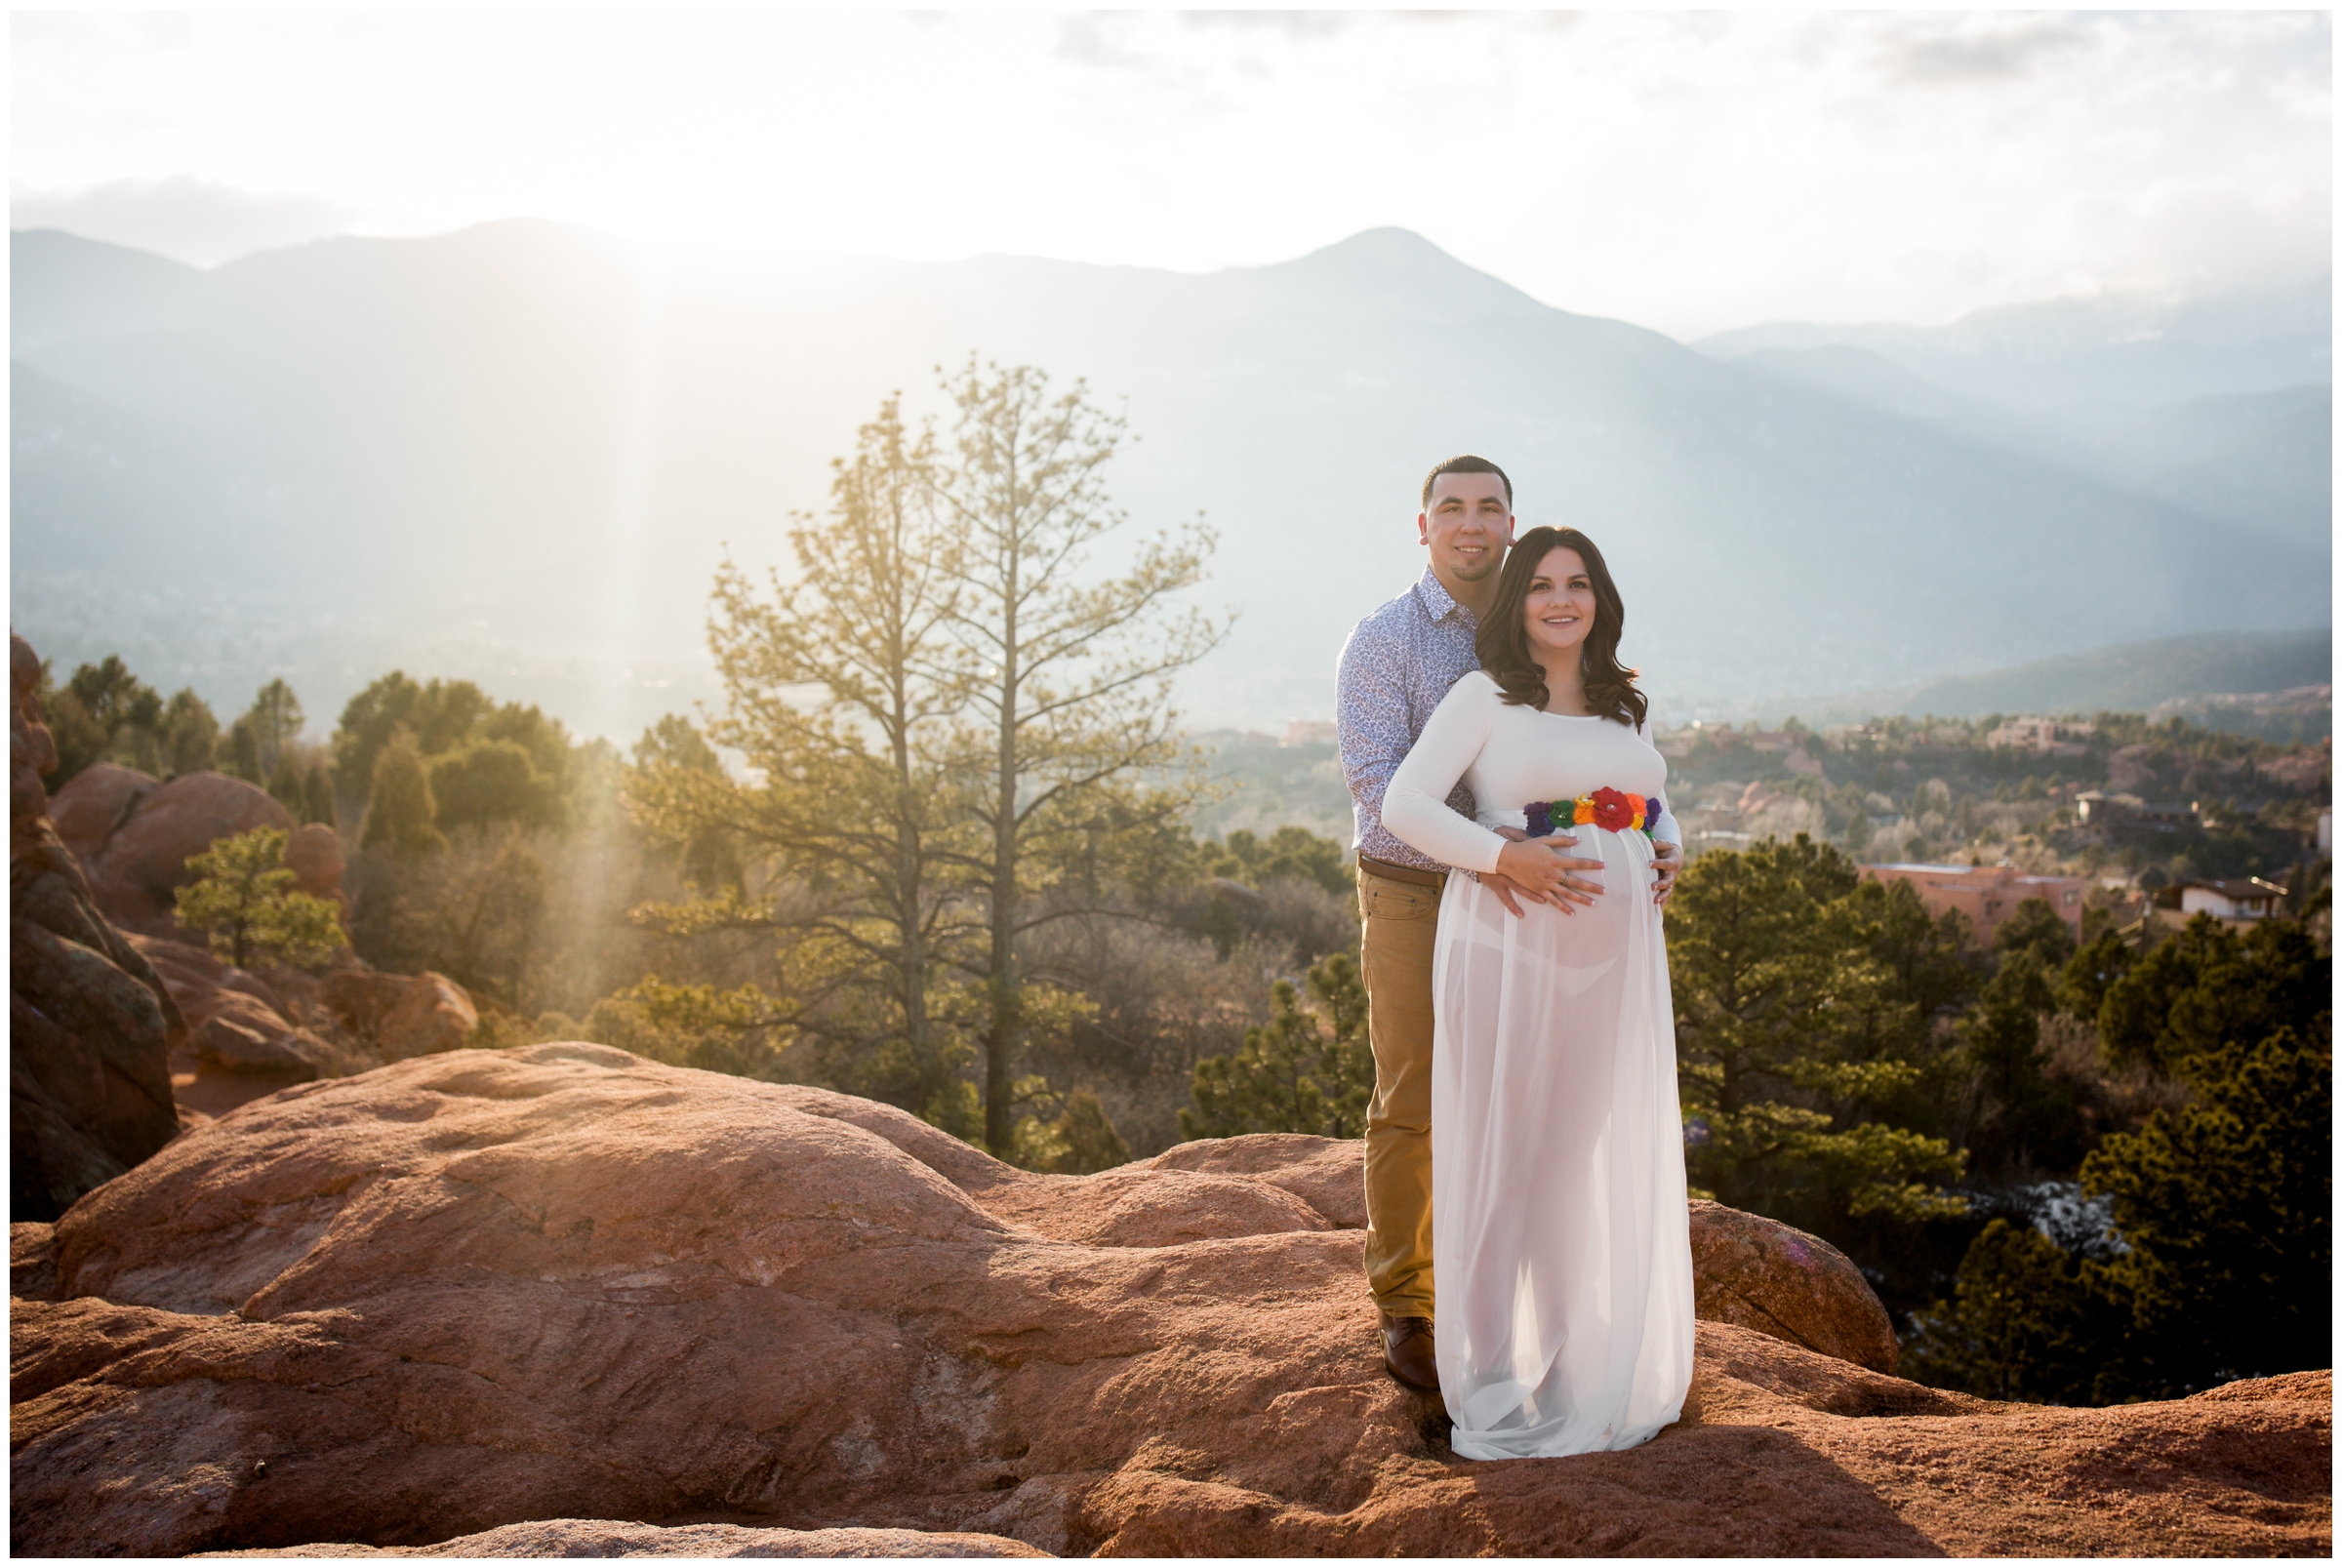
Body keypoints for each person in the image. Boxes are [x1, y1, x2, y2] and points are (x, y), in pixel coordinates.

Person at [1334, 458, 1679, 1395]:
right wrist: (1502, 851)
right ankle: (1411, 1302)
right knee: (1417, 1088)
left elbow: (1623, 775)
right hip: (1416, 890)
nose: (1471, 522)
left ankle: (1542, 1312)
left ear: (1511, 523)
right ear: (1425, 525)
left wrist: (1653, 836)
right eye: (1453, 507)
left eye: (1490, 507)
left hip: (1549, 914)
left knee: (1549, 1108)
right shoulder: (1389, 641)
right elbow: (1382, 794)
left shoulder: (1542, 636)